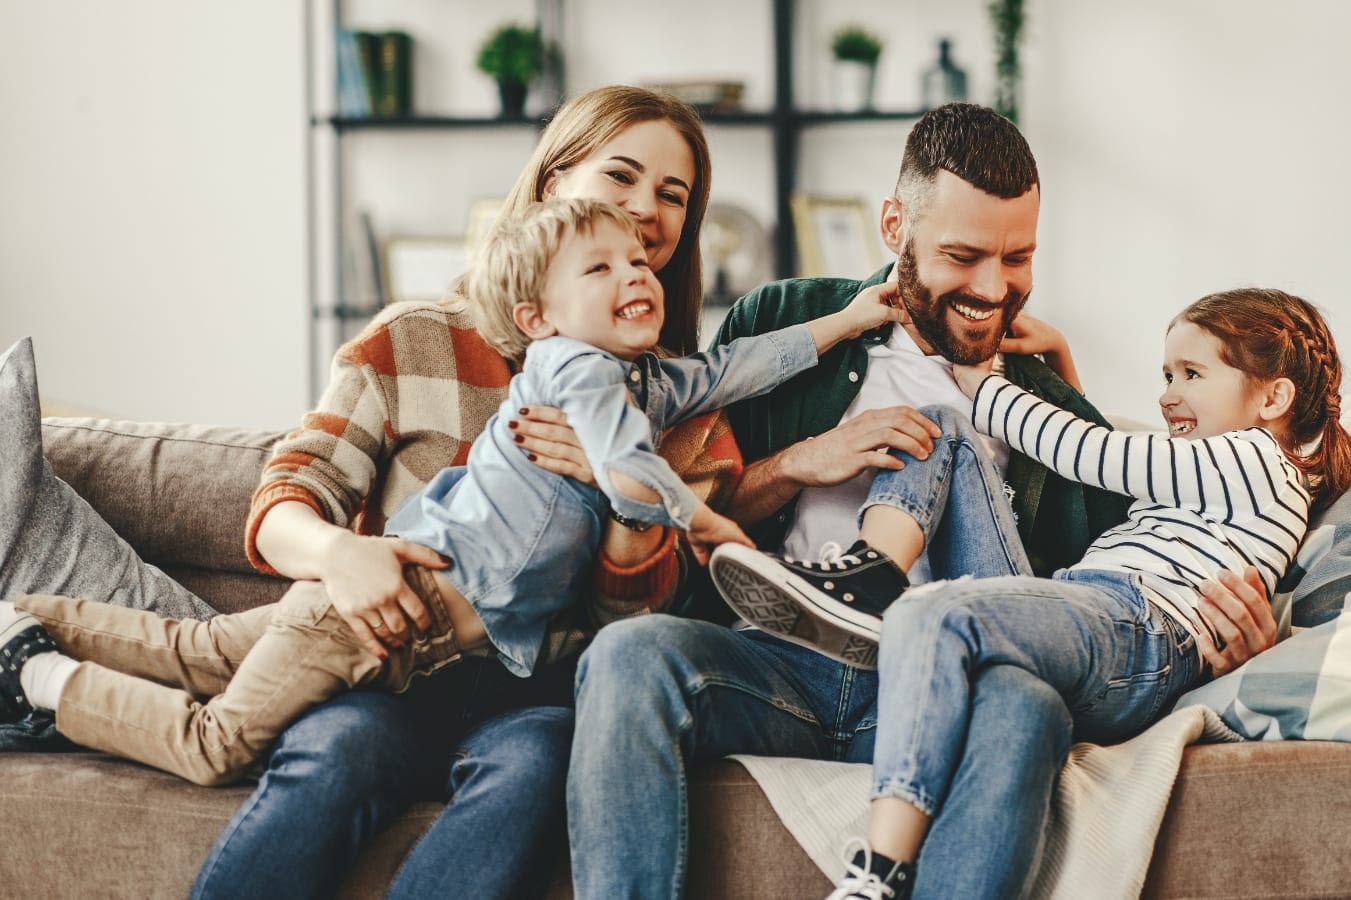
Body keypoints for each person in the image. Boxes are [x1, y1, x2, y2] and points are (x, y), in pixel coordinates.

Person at [565, 102, 1286, 898]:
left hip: (942, 684)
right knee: (629, 658)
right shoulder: (785, 319)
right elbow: (690, 505)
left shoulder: (1041, 399)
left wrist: (1231, 638)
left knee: (1026, 702)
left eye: (1018, 258)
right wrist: (801, 462)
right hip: (779, 666)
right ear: (893, 225)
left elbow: (1119, 597)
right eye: (963, 254)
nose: (992, 287)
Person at [0, 197, 903, 788]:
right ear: (536, 320)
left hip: (409, 642)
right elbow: (629, 468)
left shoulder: (645, 382)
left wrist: (850, 320)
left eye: (642, 262)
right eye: (602, 268)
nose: (637, 275)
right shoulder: (574, 368)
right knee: (215, 746)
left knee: (190, 646)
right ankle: (39, 677)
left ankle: (19, 614)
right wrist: (714, 528)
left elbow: (738, 366)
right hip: (376, 612)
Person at [201, 85, 725, 899]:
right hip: (389, 667)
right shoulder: (414, 337)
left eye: (672, 196)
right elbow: (285, 501)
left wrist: (617, 484)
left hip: (535, 694)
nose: (645, 210)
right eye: (620, 178)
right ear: (553, 184)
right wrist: (341, 554)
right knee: (334, 754)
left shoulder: (679, 405)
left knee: (534, 770)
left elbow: (634, 630)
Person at [723, 287, 1351, 898]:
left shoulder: (1255, 459)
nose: (1168, 396)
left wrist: (979, 376)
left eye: (1191, 374)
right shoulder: (1217, 477)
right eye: (1166, 376)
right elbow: (1117, 482)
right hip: (1090, 614)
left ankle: (881, 866)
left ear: (1274, 396)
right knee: (937, 426)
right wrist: (1061, 362)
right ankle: (870, 573)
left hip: (1137, 625)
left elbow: (1093, 455)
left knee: (934, 614)